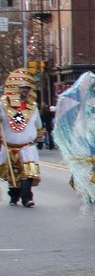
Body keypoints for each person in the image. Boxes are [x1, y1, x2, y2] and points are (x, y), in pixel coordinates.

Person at [0, 70, 43, 207]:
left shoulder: (33, 107)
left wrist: (40, 139)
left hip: (27, 147)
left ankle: (27, 198)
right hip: (10, 147)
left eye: (27, 88)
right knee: (13, 175)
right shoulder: (3, 106)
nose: (25, 91)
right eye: (22, 88)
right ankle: (14, 195)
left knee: (28, 174)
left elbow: (39, 125)